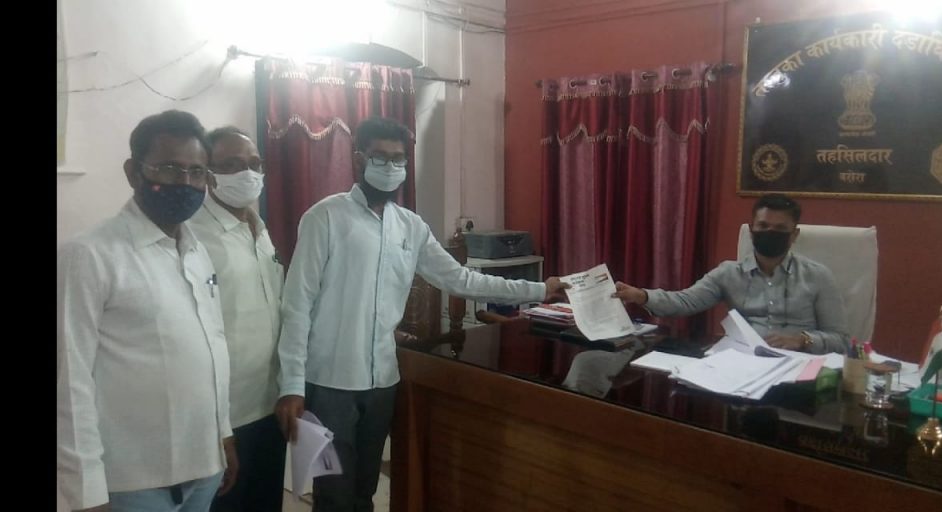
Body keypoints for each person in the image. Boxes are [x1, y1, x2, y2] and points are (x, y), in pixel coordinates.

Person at [275, 116, 568, 510]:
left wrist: (539, 290)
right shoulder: (324, 217)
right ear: (359, 159)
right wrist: (292, 384)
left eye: (398, 159)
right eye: (380, 157)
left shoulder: (410, 226)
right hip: (328, 384)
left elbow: (462, 280)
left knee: (364, 490)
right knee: (332, 494)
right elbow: (297, 305)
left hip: (383, 381)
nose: (390, 166)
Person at [57, 110, 237, 512]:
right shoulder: (89, 255)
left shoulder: (196, 251)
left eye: (197, 172)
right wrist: (84, 491)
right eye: (169, 169)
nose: (185, 183)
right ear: (133, 172)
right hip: (131, 481)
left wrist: (222, 433)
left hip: (204, 468)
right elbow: (69, 381)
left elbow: (212, 347)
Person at [613, 193, 849, 354]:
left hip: (800, 369)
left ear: (794, 235)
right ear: (752, 230)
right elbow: (685, 301)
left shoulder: (818, 276)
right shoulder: (729, 273)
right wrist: (641, 296)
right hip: (742, 363)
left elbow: (841, 340)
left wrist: (803, 340)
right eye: (763, 226)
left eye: (780, 229)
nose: (770, 232)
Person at [191, 126, 286, 512]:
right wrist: (215, 425)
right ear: (208, 173)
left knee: (265, 502)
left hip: (269, 403)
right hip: (223, 416)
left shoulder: (259, 229)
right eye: (231, 165)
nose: (246, 173)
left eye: (253, 164)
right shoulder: (192, 236)